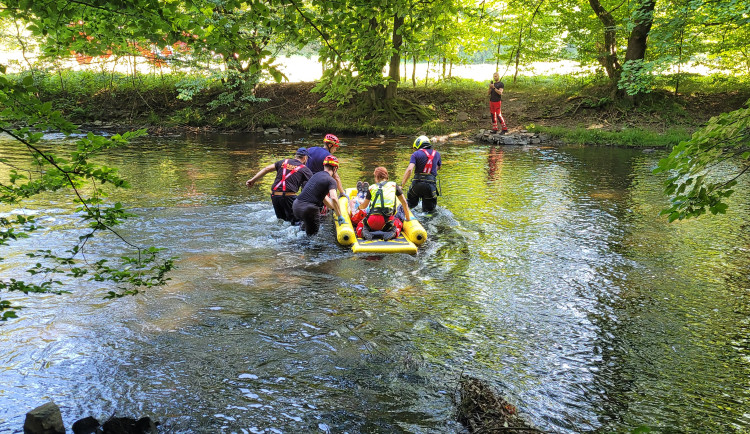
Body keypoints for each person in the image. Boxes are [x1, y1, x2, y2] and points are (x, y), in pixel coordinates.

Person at [245, 147, 313, 225]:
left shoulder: (283, 162)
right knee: (298, 223)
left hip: (274, 196)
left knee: (282, 221)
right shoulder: (304, 169)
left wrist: (253, 180)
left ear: (296, 156)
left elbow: (267, 168)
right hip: (288, 197)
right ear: (305, 158)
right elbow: (315, 183)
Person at [292, 155, 346, 236]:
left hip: (296, 206)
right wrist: (339, 215)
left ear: (324, 166)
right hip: (309, 209)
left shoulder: (316, 175)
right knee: (313, 237)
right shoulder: (331, 180)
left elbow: (324, 198)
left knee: (303, 231)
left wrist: (333, 208)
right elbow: (334, 198)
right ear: (335, 169)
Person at [352, 167, 411, 241]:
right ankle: (394, 231)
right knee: (398, 222)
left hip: (372, 221)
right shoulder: (394, 185)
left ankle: (364, 231)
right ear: (386, 176)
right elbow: (404, 203)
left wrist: (358, 208)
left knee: (361, 224)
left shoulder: (371, 188)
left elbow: (364, 205)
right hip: (387, 223)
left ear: (376, 177)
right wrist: (408, 219)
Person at [400, 135, 442, 213]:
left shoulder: (416, 154)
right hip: (430, 186)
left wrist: (401, 185)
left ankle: (406, 217)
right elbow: (439, 167)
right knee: (429, 212)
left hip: (417, 185)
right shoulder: (437, 154)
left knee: (409, 205)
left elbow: (409, 169)